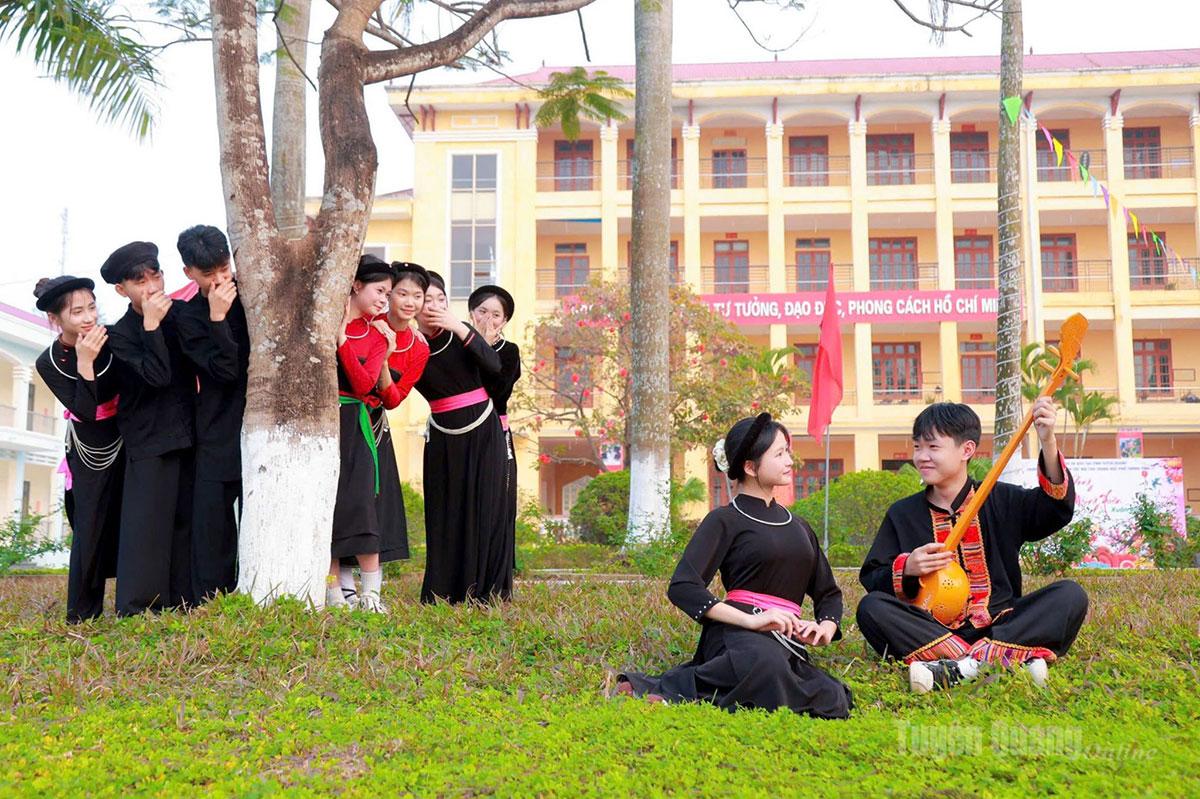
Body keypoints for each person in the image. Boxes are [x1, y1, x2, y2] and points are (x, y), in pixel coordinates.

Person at [617, 413, 852, 719]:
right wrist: (753, 621)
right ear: (750, 467)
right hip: (738, 634)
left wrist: (823, 627)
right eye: (779, 454)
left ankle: (692, 697)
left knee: (834, 697)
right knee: (763, 662)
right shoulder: (724, 520)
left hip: (785, 640)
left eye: (788, 452)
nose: (790, 461)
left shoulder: (801, 527)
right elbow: (684, 587)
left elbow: (828, 594)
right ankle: (661, 689)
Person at [856, 401, 1088, 693]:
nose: (921, 457)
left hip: (1002, 622)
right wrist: (908, 568)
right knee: (872, 608)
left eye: (932, 447)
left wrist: (1048, 440)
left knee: (1069, 595)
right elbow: (873, 579)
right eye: (917, 447)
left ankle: (954, 669)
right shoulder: (902, 514)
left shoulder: (1001, 499)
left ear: (966, 450)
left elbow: (1055, 509)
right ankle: (1002, 662)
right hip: (933, 628)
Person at [101, 241, 196, 615]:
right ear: (122, 289)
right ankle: (139, 606)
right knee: (146, 525)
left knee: (184, 521)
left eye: (155, 276)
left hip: (189, 432)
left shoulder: (181, 315)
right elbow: (156, 377)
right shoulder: (120, 334)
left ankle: (183, 600)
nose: (152, 287)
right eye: (140, 281)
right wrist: (152, 326)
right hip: (147, 438)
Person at [336, 262, 430, 603]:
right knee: (340, 507)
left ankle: (370, 593)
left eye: (415, 296)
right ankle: (341, 591)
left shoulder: (417, 346)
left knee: (367, 506)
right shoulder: (370, 323)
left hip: (371, 425)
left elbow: (392, 398)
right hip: (337, 422)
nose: (407, 301)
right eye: (398, 293)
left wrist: (385, 363)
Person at [33, 276, 125, 622]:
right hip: (89, 449)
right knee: (89, 525)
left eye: (91, 307)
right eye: (77, 312)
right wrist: (85, 362)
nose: (88, 318)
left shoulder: (112, 339)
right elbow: (84, 411)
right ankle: (83, 612)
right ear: (56, 320)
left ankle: (136, 599)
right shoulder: (50, 362)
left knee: (132, 519)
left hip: (129, 437)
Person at [414, 271, 509, 604]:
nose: (436, 305)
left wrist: (459, 326)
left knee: (485, 507)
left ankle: (487, 591)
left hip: (483, 429)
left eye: (442, 299)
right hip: (440, 435)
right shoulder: (410, 343)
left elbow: (494, 365)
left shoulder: (462, 333)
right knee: (444, 510)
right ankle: (443, 590)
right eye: (428, 299)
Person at [175, 225, 249, 600]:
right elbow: (224, 371)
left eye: (224, 268)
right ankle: (210, 597)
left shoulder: (254, 296)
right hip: (216, 429)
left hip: (261, 426)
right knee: (212, 521)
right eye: (209, 274)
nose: (221, 279)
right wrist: (218, 319)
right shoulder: (187, 317)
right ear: (189, 273)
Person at [327, 255, 393, 612]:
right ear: (356, 285)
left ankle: (371, 596)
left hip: (354, 423)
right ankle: (334, 595)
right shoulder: (323, 321)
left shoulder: (376, 335)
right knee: (326, 513)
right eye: (380, 290)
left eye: (389, 293)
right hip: (320, 425)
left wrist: (342, 342)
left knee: (361, 508)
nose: (385, 300)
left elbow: (365, 383)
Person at [468, 284, 521, 571]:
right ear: (471, 313)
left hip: (496, 433)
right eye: (482, 311)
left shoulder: (509, 351)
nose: (488, 319)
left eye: (496, 315)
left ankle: (497, 569)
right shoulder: (458, 344)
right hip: (462, 434)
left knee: (499, 501)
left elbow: (498, 391)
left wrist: (485, 350)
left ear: (505, 321)